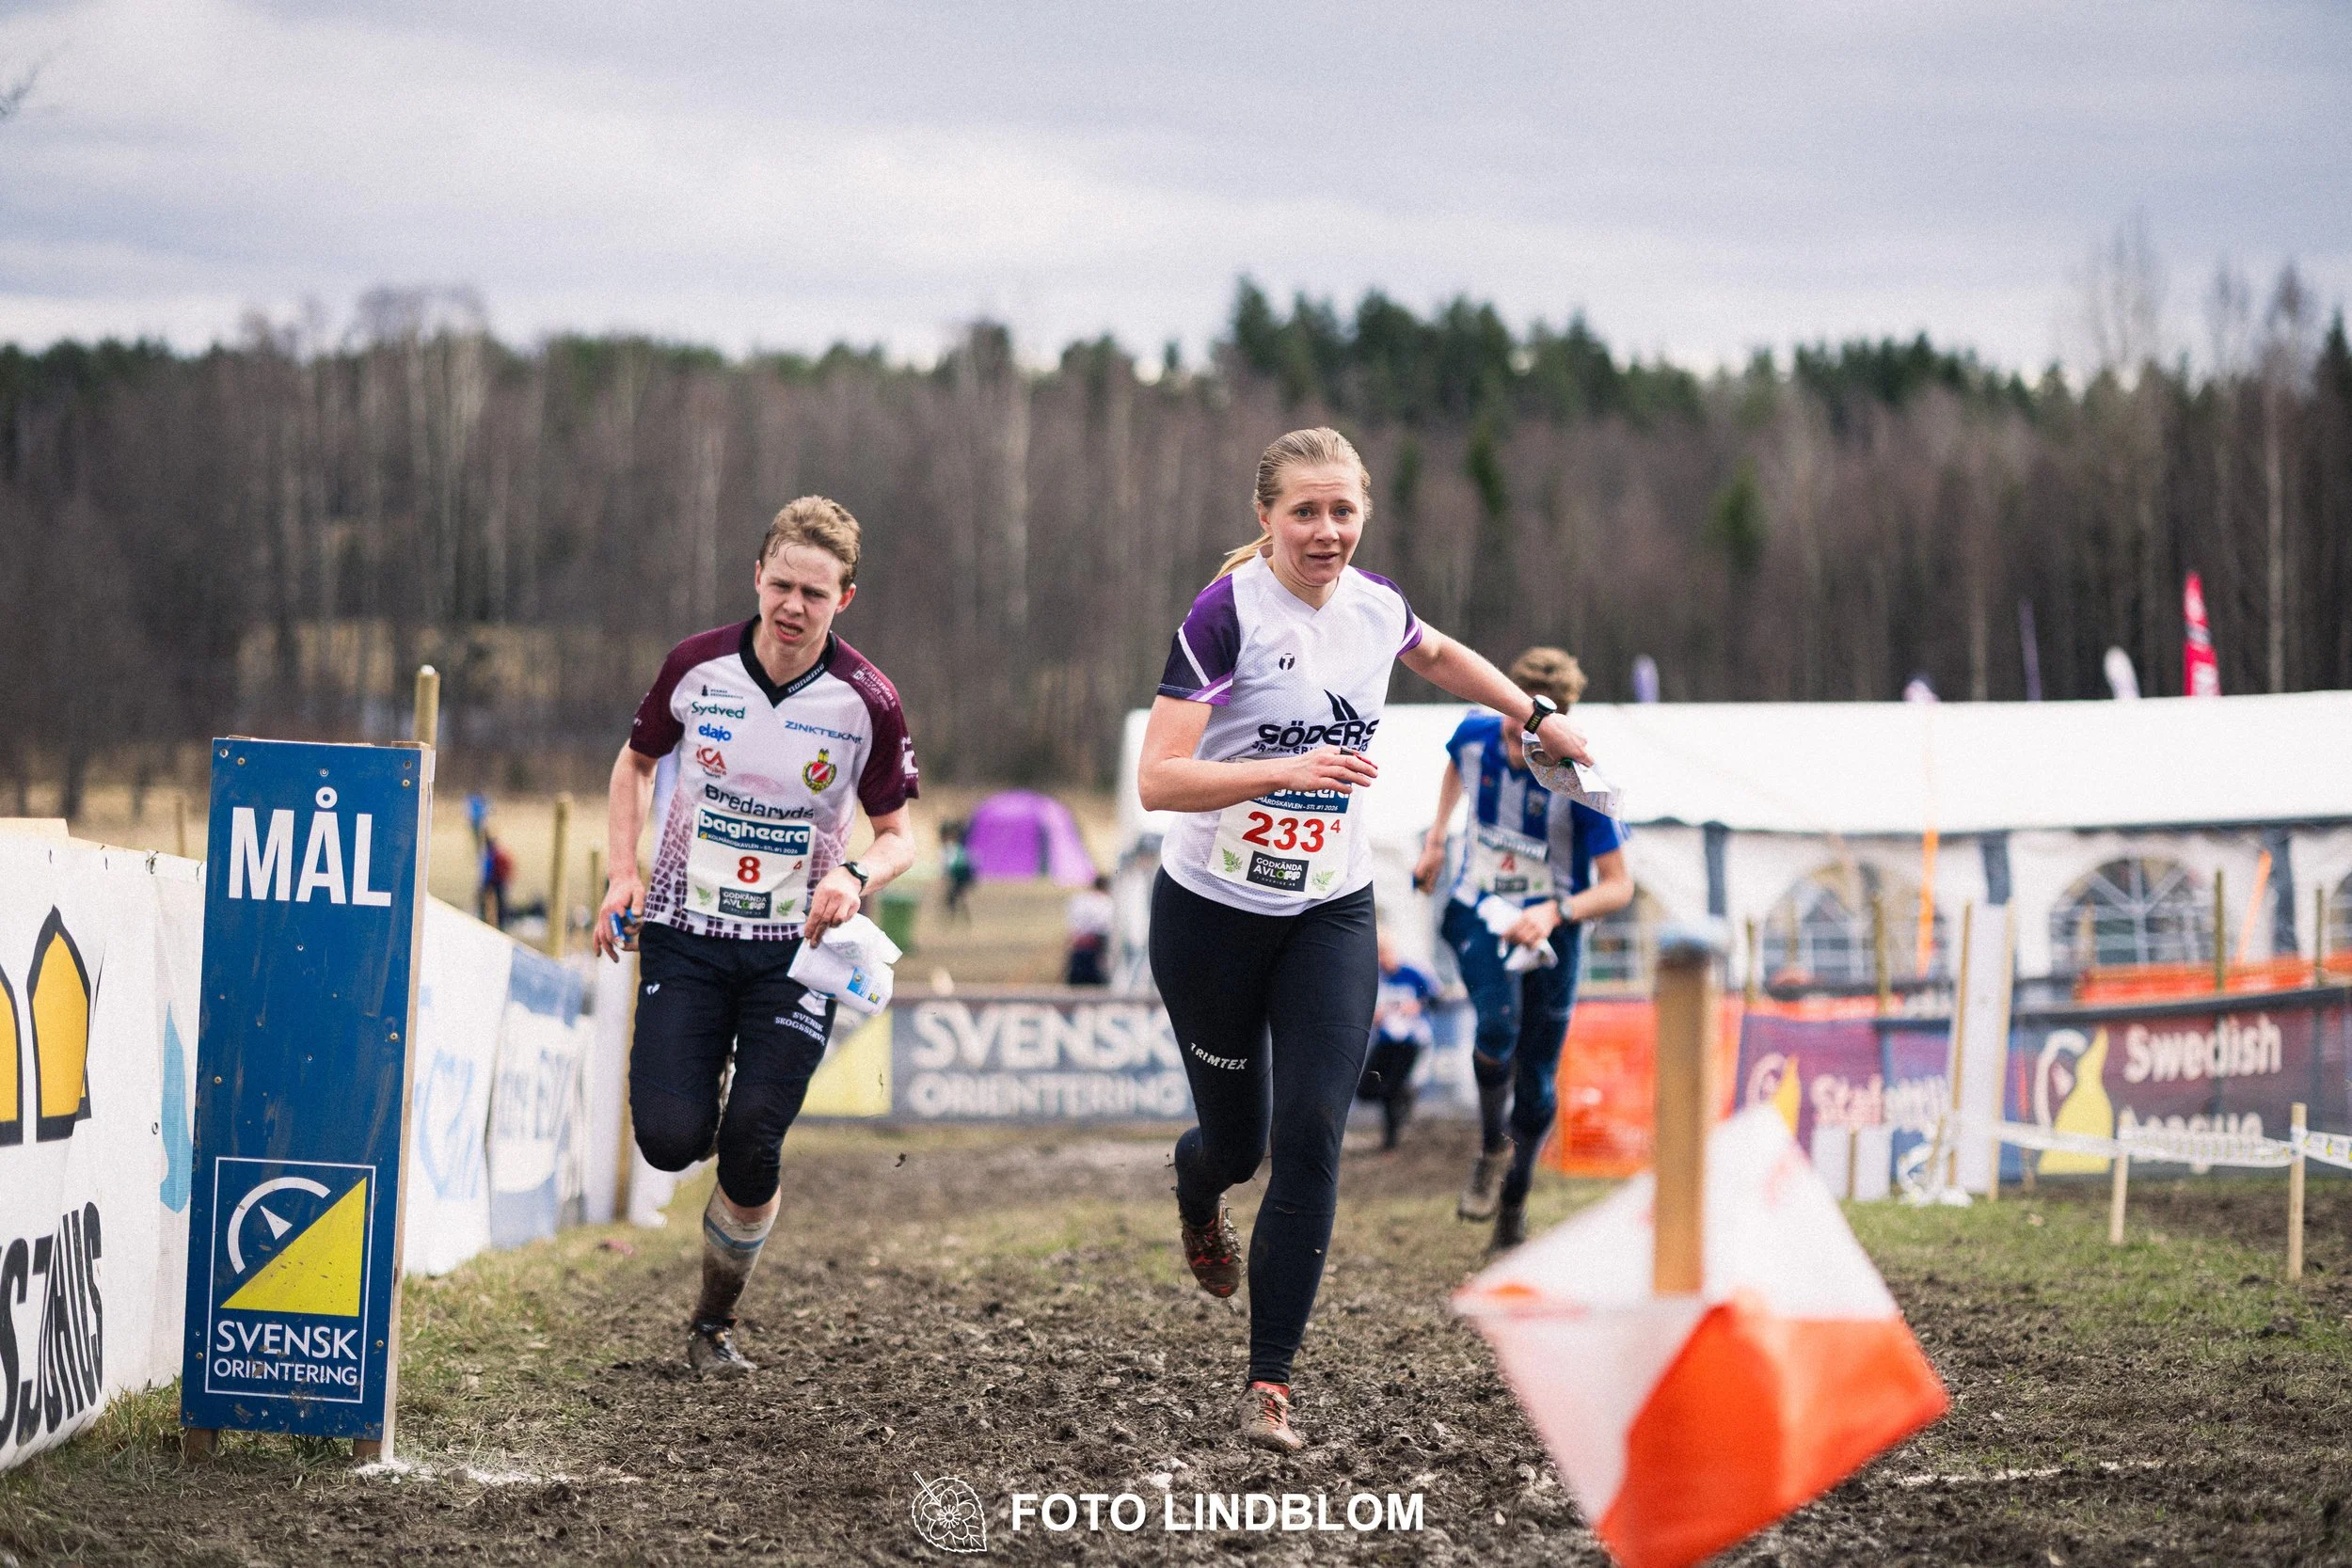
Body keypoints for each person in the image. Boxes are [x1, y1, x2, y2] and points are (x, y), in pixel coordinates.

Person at [1137, 426, 1596, 1453]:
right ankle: (1198, 1188)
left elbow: (1434, 653)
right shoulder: (1225, 614)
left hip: (1329, 910)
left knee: (1310, 1133)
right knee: (1237, 1144)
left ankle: (1269, 1383)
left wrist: (1535, 715)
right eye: (1304, 511)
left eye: (1342, 510)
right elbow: (1157, 779)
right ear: (1266, 517)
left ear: (1364, 516)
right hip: (1211, 915)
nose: (1326, 530)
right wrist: (1282, 771)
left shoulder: (1376, 606)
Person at [593, 496, 921, 1378]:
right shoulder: (695, 667)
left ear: (844, 598)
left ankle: (713, 1319)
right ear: (757, 577)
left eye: (814, 593)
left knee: (752, 1143)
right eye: (781, 585)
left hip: (797, 952)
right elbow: (636, 763)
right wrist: (622, 871)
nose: (792, 607)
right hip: (686, 934)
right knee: (670, 1139)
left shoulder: (868, 700)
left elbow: (899, 836)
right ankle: (706, 1088)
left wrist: (855, 875)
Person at [1411, 647, 1633, 1252]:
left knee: (1536, 1082)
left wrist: (1556, 912)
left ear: (1562, 723)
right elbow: (1455, 764)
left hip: (1554, 928)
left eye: (1537, 724)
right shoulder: (1476, 733)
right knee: (1496, 1025)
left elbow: (1619, 886)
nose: (1518, 733)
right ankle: (1490, 1149)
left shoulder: (1581, 784)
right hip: (1477, 908)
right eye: (1515, 716)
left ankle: (1515, 1201)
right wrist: (1437, 838)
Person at [1357, 934, 1438, 1151]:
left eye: (1383, 953)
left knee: (1390, 1090)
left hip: (1411, 1040)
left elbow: (1436, 999)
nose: (1381, 959)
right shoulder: (1376, 978)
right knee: (1366, 1090)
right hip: (1386, 1040)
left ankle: (1390, 1142)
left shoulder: (1412, 973)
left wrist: (1418, 1005)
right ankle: (1403, 1095)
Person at [1065, 873, 1114, 986]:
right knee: (1096, 984)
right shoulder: (1106, 902)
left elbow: (1073, 923)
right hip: (1097, 946)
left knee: (1077, 983)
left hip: (1079, 945)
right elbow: (1106, 926)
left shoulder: (1080, 899)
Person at [940, 820, 976, 924]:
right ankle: (962, 919)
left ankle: (954, 918)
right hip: (962, 875)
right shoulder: (959, 846)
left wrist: (945, 875)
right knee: (957, 897)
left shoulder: (952, 847)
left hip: (960, 875)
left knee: (953, 897)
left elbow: (949, 864)